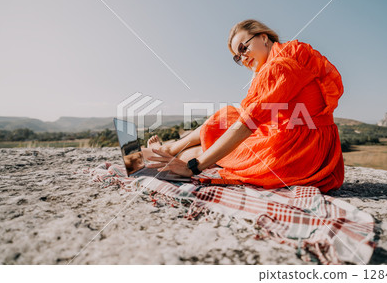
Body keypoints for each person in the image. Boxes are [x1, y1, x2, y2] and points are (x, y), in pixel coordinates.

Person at [144, 19, 345, 193]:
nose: (243, 58)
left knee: (210, 152)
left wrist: (194, 168)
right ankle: (169, 150)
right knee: (225, 117)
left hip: (299, 153)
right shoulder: (289, 54)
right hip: (308, 143)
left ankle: (169, 159)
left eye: (243, 48)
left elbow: (246, 125)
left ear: (264, 38)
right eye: (237, 57)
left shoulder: (280, 65)